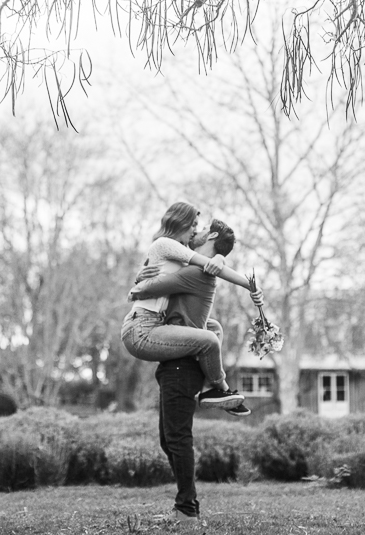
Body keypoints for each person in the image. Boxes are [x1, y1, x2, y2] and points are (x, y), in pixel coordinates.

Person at [132, 218, 263, 523]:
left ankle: (186, 510)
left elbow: (147, 288)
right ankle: (185, 504)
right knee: (170, 440)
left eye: (203, 230)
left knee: (177, 438)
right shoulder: (202, 269)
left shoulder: (195, 272)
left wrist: (138, 284)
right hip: (179, 360)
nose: (197, 232)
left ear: (212, 235)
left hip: (182, 364)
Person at [121, 202, 261, 410]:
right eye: (194, 225)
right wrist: (248, 285)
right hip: (141, 327)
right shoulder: (165, 244)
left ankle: (207, 387)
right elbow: (206, 263)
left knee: (214, 327)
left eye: (199, 226)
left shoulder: (182, 253)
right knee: (209, 340)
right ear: (181, 222)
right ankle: (220, 387)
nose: (196, 230)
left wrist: (220, 257)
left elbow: (208, 261)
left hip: (158, 322)